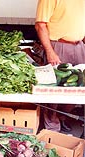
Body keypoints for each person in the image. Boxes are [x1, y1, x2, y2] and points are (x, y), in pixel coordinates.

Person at [35, 0, 85, 132]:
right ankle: (52, 128)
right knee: (54, 89)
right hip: (58, 46)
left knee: (77, 88)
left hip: (79, 46)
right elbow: (40, 25)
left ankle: (62, 117)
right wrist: (50, 51)